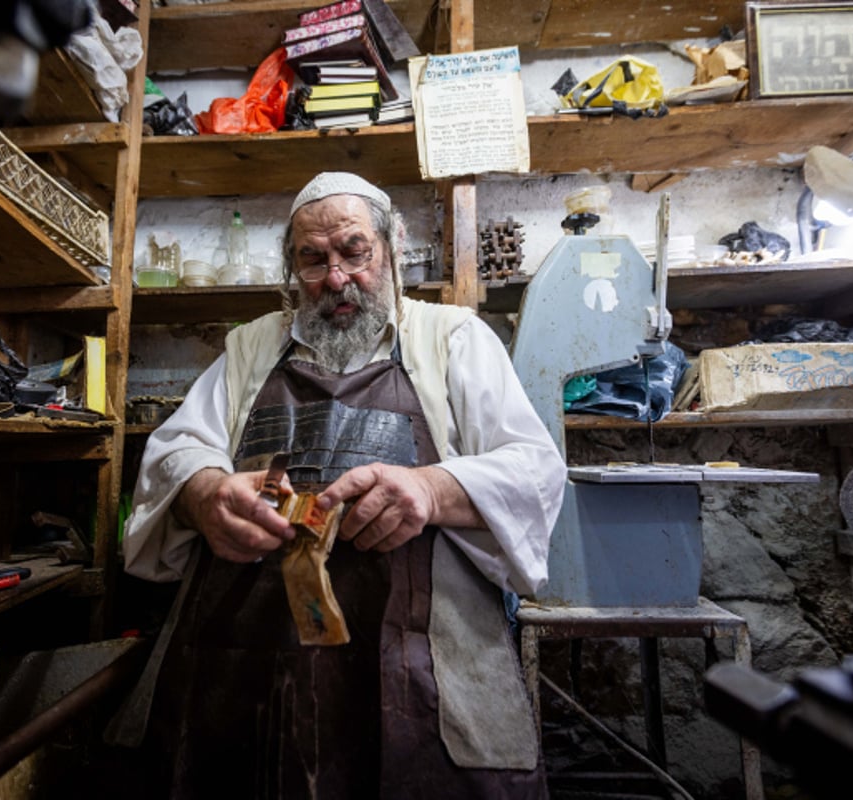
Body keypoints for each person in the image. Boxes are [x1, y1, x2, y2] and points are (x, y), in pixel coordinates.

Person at [117, 172, 566, 799]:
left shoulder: (453, 338)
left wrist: (432, 490)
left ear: (390, 249)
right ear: (291, 270)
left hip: (417, 660)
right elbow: (177, 449)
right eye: (313, 259)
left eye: (355, 252)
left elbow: (535, 469)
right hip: (242, 658)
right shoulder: (251, 347)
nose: (335, 279)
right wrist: (206, 491)